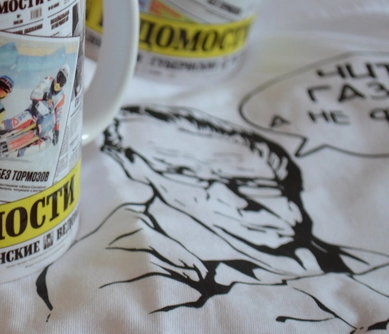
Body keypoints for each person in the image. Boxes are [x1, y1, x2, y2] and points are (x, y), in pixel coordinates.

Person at [36, 105, 389, 329]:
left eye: (255, 184)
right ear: (139, 171)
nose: (235, 199)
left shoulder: (360, 260)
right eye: (197, 179)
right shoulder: (113, 263)